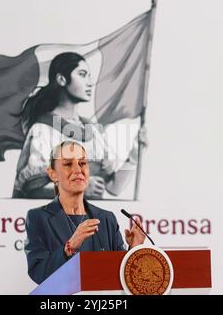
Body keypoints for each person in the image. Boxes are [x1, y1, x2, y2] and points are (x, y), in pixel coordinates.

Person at [12, 52, 147, 199]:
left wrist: (135, 153)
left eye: (89, 76)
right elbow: (33, 190)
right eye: (82, 74)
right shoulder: (43, 129)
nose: (89, 82)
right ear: (61, 79)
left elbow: (114, 188)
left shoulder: (92, 131)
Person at [24, 141, 146, 284]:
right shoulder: (38, 218)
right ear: (53, 174)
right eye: (68, 164)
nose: (78, 170)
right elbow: (39, 273)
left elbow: (121, 276)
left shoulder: (107, 219)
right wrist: (69, 247)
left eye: (82, 163)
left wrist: (134, 249)